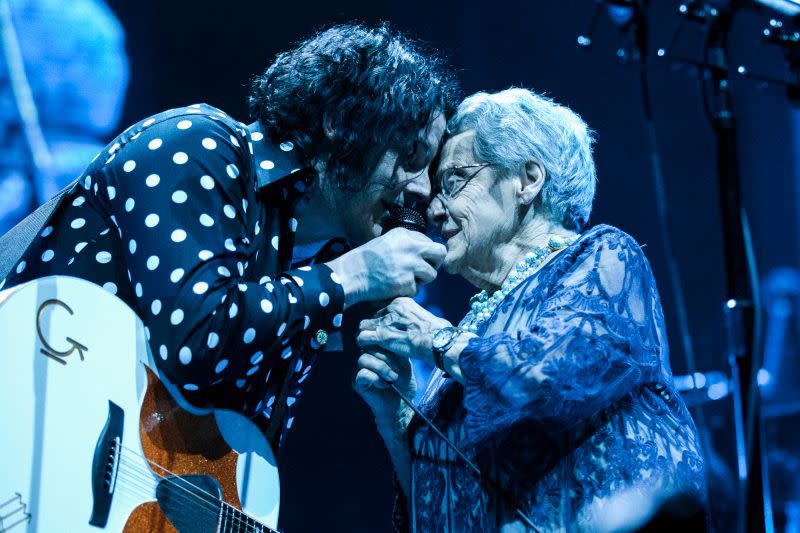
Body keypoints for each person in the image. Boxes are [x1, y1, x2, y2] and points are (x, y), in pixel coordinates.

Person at [1, 23, 457, 450]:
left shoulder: (312, 248)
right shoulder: (198, 146)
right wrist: (349, 276)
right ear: (344, 121)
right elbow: (195, 341)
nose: (419, 188)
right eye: (411, 155)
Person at [355, 88, 707, 531]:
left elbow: (545, 378)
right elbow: (436, 512)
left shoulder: (602, 256)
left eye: (454, 181)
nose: (435, 210)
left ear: (527, 180)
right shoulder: (474, 337)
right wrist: (398, 417)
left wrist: (435, 339)